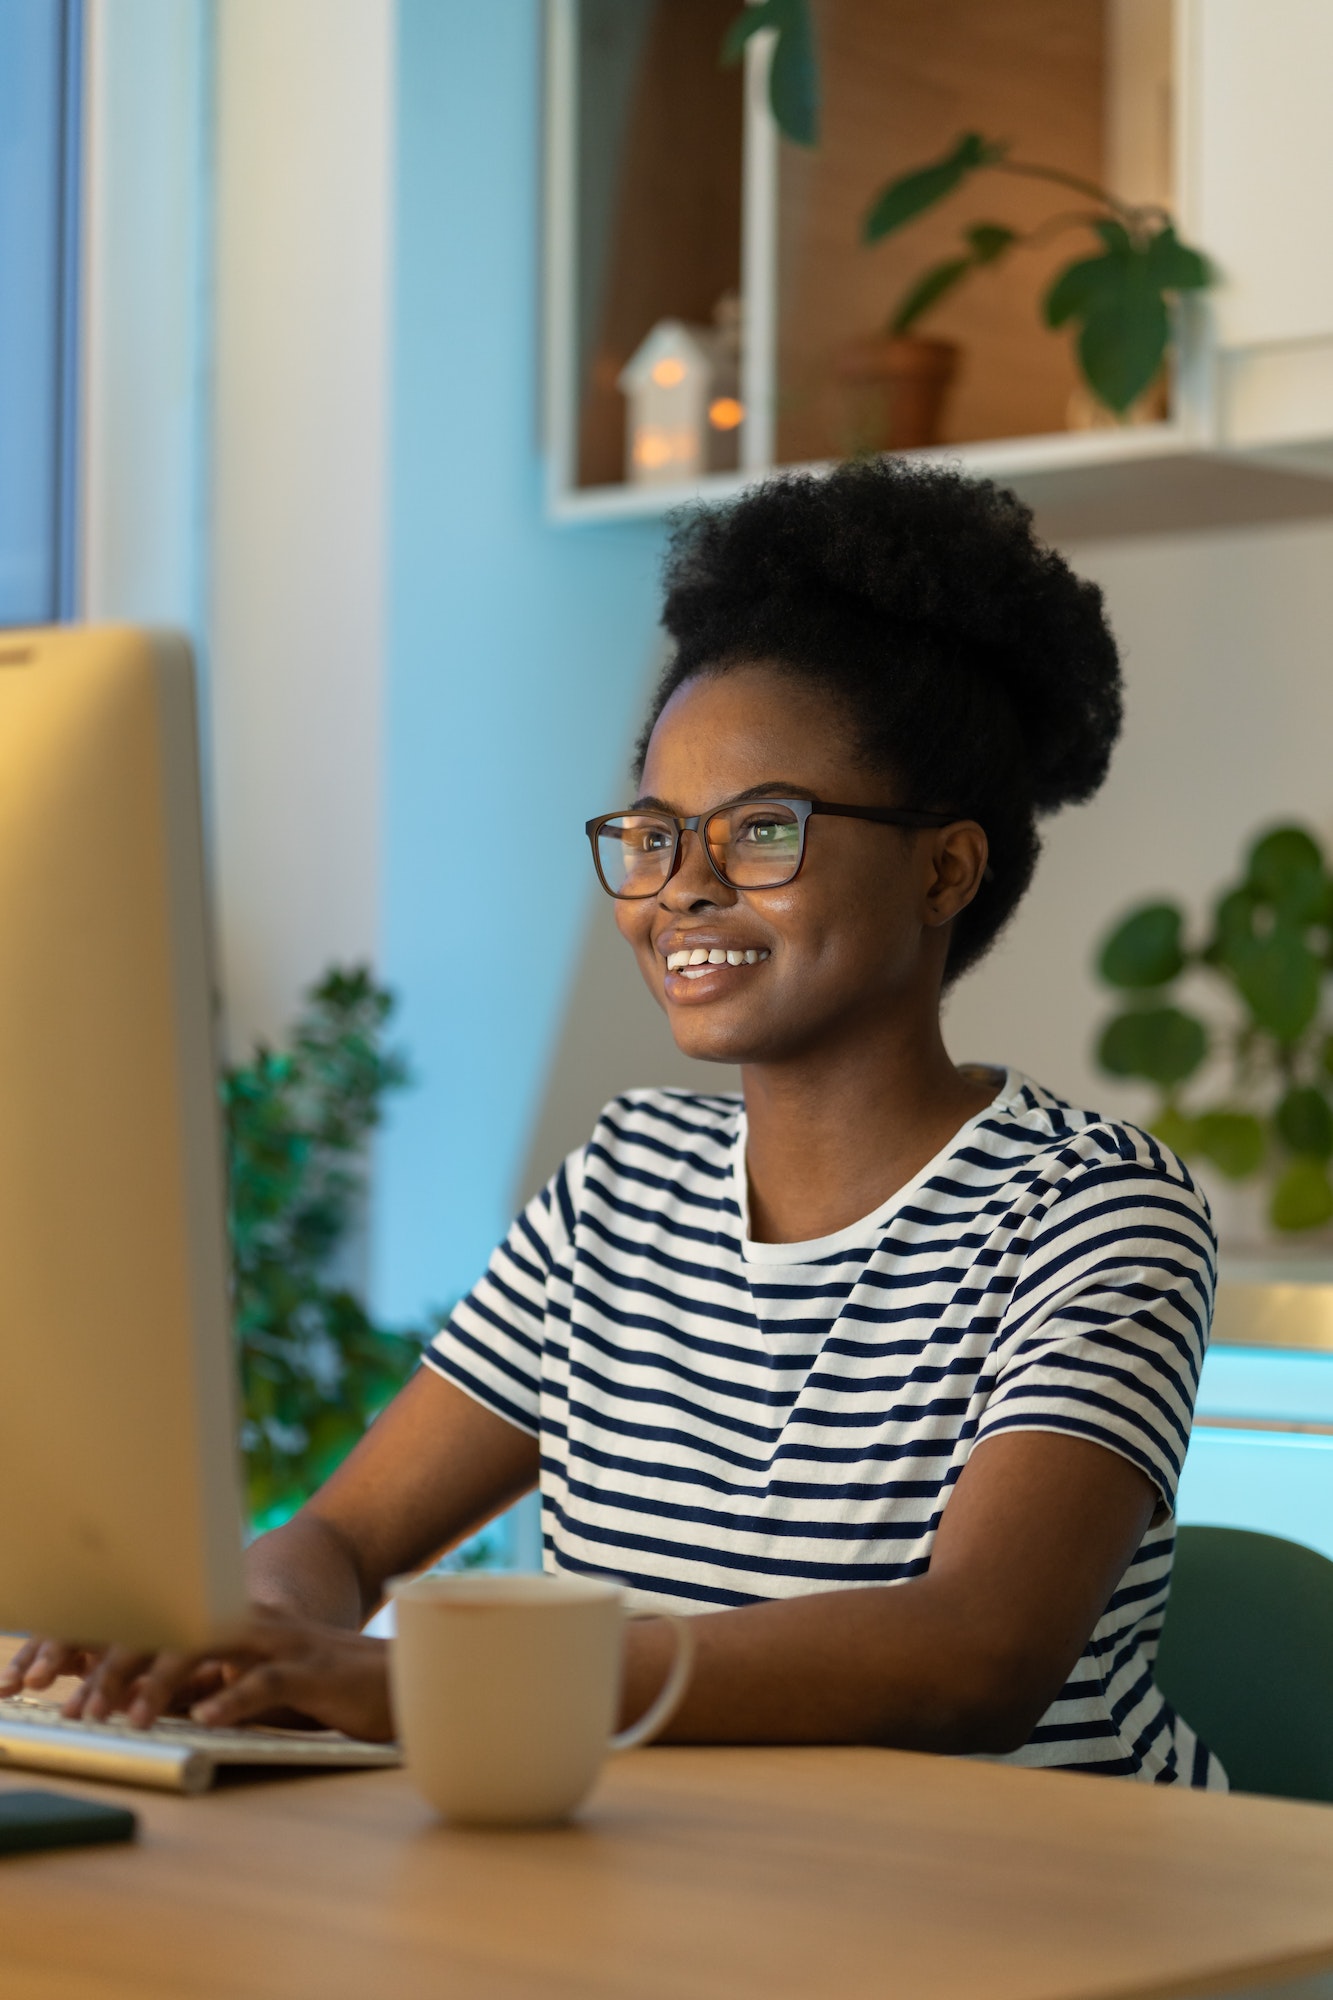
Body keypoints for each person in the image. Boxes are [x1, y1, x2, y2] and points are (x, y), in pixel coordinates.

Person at [3, 461, 1221, 1784]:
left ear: (942, 866)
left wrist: (427, 1683)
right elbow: (342, 1542)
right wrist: (256, 1635)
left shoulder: (1095, 1215)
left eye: (761, 832)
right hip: (684, 1905)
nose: (679, 890)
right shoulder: (625, 1185)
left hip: (1040, 1938)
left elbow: (970, 1657)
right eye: (651, 836)